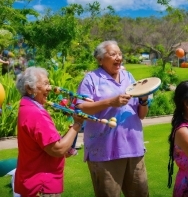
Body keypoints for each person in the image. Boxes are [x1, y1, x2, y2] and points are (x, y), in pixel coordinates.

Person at [75, 40, 150, 197]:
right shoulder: (91, 79)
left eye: (120, 54)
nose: (118, 57)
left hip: (133, 148)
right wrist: (110, 102)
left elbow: (141, 114)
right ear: (100, 59)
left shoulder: (128, 76)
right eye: (113, 54)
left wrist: (143, 100)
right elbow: (80, 108)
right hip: (104, 151)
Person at [14, 67, 84, 196]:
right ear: (29, 88)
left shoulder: (26, 106)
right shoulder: (36, 113)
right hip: (41, 184)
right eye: (45, 84)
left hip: (32, 180)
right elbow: (57, 150)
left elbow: (44, 144)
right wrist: (77, 124)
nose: (49, 88)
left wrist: (65, 140)